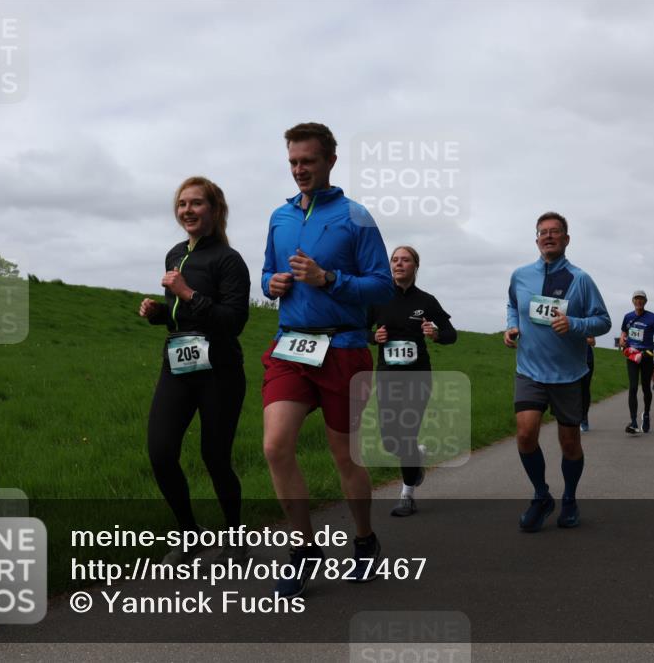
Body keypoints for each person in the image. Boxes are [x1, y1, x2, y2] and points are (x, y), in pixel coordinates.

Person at [261, 122, 395, 597]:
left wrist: (329, 278)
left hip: (343, 349)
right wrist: (273, 284)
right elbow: (265, 274)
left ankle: (364, 539)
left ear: (330, 161)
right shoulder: (279, 217)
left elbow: (382, 285)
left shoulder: (356, 217)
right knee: (276, 446)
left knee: (344, 456)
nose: (299, 170)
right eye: (293, 162)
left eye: (308, 161)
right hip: (291, 347)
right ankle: (303, 549)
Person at [139, 176, 251, 564]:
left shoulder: (228, 259)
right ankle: (190, 535)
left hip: (220, 369)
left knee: (215, 457)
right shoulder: (174, 253)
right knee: (160, 451)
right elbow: (181, 314)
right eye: (182, 204)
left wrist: (187, 293)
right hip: (178, 362)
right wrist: (159, 312)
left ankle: (236, 537)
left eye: (197, 203)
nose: (188, 210)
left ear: (215, 210)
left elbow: (234, 321)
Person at [505, 212, 611, 531]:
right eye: (543, 232)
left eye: (555, 232)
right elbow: (513, 305)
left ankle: (570, 498)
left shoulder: (581, 279)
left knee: (569, 444)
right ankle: (541, 495)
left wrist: (575, 324)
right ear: (536, 239)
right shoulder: (520, 275)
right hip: (529, 371)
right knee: (525, 433)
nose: (548, 236)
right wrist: (511, 327)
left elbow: (603, 321)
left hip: (568, 375)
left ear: (566, 239)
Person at [368, 245, 457, 517]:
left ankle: (407, 494)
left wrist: (436, 332)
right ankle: (416, 455)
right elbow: (358, 330)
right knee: (389, 438)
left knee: (406, 431)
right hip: (387, 375)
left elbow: (452, 334)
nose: (399, 264)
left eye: (405, 260)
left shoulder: (426, 301)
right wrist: (373, 338)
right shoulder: (377, 298)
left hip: (418, 375)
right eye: (395, 260)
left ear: (415, 266)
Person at [619, 291, 654, 434]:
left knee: (646, 388)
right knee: (633, 387)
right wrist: (622, 340)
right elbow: (623, 334)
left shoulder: (652, 318)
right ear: (633, 301)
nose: (639, 301)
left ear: (645, 302)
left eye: (642, 299)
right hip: (632, 356)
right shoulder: (628, 317)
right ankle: (633, 422)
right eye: (637, 299)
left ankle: (646, 414)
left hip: (646, 356)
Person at [580, 337, 596, 432]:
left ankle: (584, 419)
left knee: (585, 389)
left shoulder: (586, 322)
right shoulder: (566, 322)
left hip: (587, 360)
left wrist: (577, 336)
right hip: (571, 360)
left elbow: (593, 342)